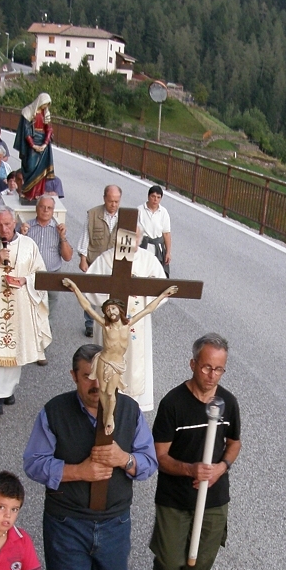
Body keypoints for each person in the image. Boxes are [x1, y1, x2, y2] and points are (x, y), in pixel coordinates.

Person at [23, 344, 158, 570]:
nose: (97, 385)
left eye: (104, 376)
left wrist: (124, 459)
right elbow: (33, 462)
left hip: (114, 520)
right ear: (74, 377)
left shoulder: (129, 411)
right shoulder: (54, 411)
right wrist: (76, 471)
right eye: (88, 377)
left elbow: (148, 462)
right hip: (66, 521)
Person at [149, 333, 241, 570]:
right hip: (175, 497)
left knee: (198, 565)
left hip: (214, 499)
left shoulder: (228, 403)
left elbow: (234, 443)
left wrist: (221, 468)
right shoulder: (173, 404)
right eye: (206, 368)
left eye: (218, 369)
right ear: (193, 364)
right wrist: (190, 470)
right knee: (171, 558)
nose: (211, 375)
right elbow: (160, 456)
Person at [62, 279, 177, 435]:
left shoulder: (127, 325)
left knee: (111, 392)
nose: (111, 312)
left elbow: (148, 309)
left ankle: (109, 417)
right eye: (108, 310)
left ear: (120, 310)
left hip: (117, 363)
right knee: (102, 389)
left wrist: (163, 294)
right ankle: (105, 417)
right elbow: (87, 307)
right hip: (104, 360)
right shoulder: (105, 325)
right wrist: (75, 288)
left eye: (114, 309)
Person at [0, 205, 51, 415]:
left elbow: (40, 273)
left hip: (19, 305)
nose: (4, 229)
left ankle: (7, 391)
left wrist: (26, 280)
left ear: (14, 222)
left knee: (15, 349)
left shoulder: (29, 245)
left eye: (7, 224)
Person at [83, 230, 167, 412]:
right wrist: (110, 297)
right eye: (129, 236)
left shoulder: (148, 260)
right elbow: (89, 288)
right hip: (110, 327)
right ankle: (103, 405)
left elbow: (163, 290)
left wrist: (139, 292)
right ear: (118, 236)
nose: (132, 241)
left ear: (142, 238)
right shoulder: (106, 260)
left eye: (137, 237)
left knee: (134, 365)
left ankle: (130, 409)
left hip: (136, 324)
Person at [19, 195, 73, 328]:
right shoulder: (27, 227)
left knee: (49, 313)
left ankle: (44, 343)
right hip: (31, 275)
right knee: (29, 308)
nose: (45, 210)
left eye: (49, 208)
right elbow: (16, 252)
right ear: (37, 208)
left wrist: (63, 238)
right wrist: (22, 235)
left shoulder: (59, 229)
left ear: (53, 210)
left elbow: (68, 257)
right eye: (42, 207)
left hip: (52, 274)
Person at [77, 185, 122, 336]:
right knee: (91, 295)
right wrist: (83, 258)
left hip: (114, 265)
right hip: (94, 262)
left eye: (116, 201)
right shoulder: (92, 214)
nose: (113, 205)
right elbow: (85, 237)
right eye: (110, 201)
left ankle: (110, 322)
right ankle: (90, 324)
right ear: (104, 199)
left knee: (112, 296)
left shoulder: (125, 217)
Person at [13, 93, 54, 201]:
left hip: (43, 143)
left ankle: (38, 193)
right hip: (32, 143)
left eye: (47, 105)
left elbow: (49, 129)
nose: (45, 107)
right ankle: (27, 193)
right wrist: (33, 145)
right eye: (44, 104)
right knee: (30, 167)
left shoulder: (46, 113)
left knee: (41, 169)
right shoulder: (28, 112)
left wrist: (45, 143)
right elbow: (26, 131)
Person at [137, 185, 172, 276]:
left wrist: (168, 252)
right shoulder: (139, 210)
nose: (155, 200)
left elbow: (166, 233)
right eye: (153, 196)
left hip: (157, 248)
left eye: (158, 197)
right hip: (142, 247)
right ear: (148, 196)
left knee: (156, 275)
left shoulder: (163, 212)